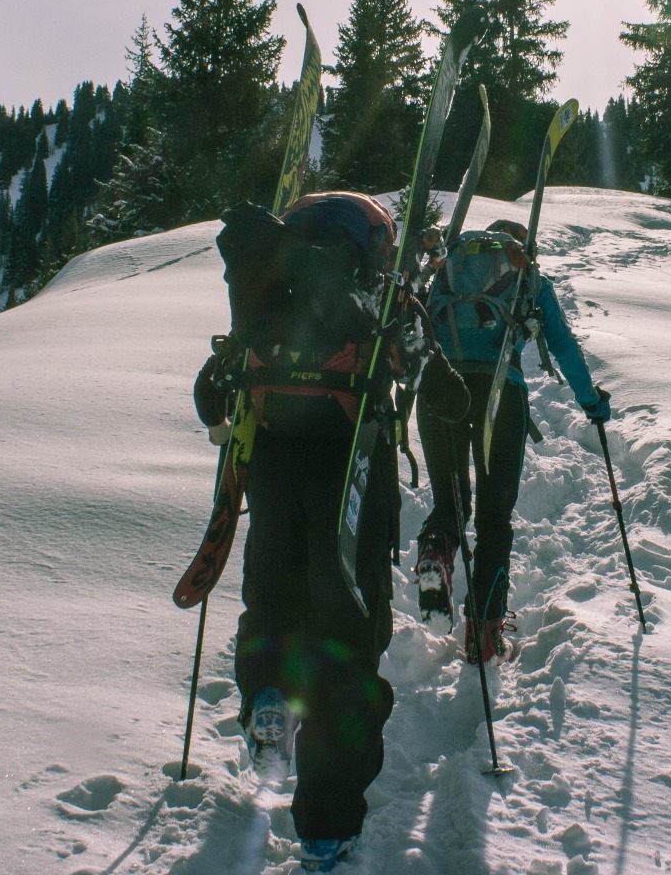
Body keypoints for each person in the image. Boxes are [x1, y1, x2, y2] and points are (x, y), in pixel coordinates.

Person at [194, 190, 435, 873]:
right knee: (348, 640)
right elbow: (415, 365)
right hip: (351, 467)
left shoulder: (269, 295)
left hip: (272, 459)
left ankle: (266, 692)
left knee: (271, 600)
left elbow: (218, 390)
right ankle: (327, 827)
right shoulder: (381, 301)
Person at [413, 217, 610, 663]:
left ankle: (436, 554)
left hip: (439, 387)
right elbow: (561, 342)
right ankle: (483, 636)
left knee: (450, 499)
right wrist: (591, 400)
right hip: (501, 393)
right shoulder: (528, 275)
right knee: (493, 518)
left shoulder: (450, 268)